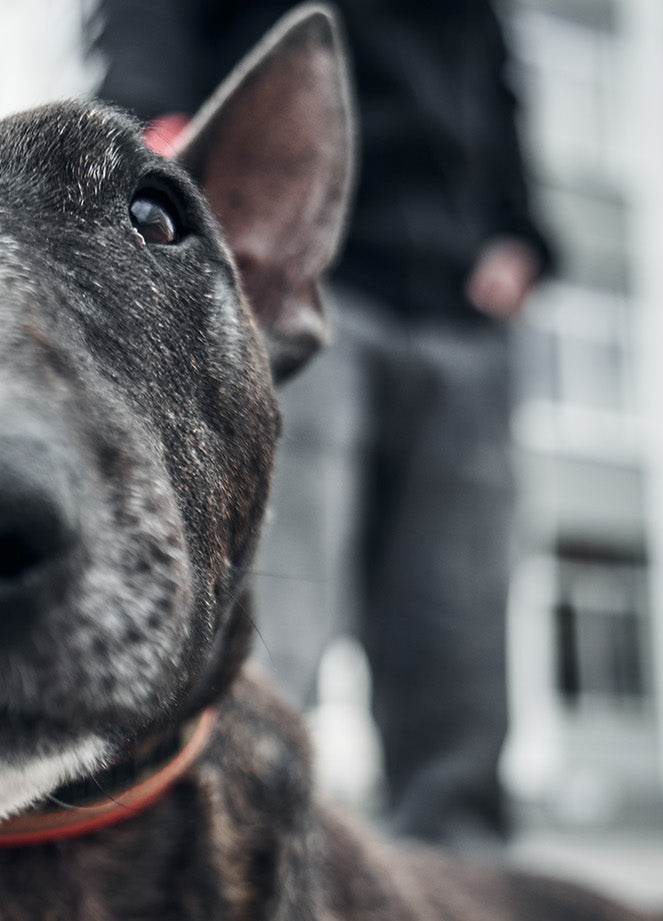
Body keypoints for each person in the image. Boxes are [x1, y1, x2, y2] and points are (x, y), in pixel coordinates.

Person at [94, 0, 558, 848]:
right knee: (269, 617)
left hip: (464, 305)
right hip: (282, 266)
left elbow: (495, 83)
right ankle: (211, 865)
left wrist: (518, 230)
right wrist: (151, 137)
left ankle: (459, 885)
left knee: (457, 634)